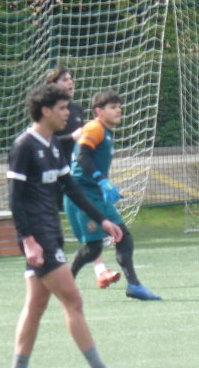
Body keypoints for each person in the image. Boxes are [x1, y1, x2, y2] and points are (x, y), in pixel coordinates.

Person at [5, 83, 137, 368]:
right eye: (63, 108)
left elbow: (72, 189)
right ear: (45, 111)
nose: (69, 113)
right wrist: (28, 239)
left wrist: (103, 219)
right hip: (39, 237)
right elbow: (14, 198)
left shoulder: (53, 145)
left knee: (36, 306)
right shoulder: (25, 146)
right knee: (73, 300)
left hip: (50, 232)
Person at [64, 89, 162, 301]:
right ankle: (66, 282)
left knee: (121, 237)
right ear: (99, 111)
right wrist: (100, 179)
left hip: (94, 194)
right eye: (113, 107)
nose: (119, 110)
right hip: (82, 194)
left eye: (119, 106)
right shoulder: (94, 128)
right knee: (95, 247)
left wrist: (102, 185)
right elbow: (82, 156)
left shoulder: (105, 131)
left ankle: (134, 285)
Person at [45, 66, 121, 290]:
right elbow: (44, 142)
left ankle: (100, 271)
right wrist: (71, 136)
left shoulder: (76, 109)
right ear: (52, 85)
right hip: (50, 175)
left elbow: (82, 144)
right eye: (64, 79)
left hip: (72, 177)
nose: (70, 82)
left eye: (71, 79)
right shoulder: (46, 111)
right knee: (49, 225)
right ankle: (49, 268)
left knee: (91, 222)